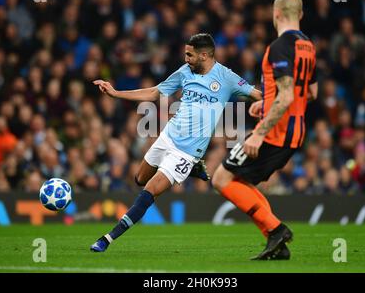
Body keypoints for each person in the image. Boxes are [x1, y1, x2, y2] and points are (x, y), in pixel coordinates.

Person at [90, 33, 262, 252]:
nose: (186, 59)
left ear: (205, 55)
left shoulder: (226, 78)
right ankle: (193, 169)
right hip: (168, 137)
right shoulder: (184, 72)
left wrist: (269, 108)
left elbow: (257, 95)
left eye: (190, 55)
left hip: (187, 152)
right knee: (140, 178)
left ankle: (107, 239)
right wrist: (116, 93)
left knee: (150, 190)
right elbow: (155, 92)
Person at [212, 0, 318, 260]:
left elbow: (287, 96)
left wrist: (258, 133)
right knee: (240, 179)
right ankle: (276, 244)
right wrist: (268, 102)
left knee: (221, 179)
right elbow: (311, 91)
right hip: (295, 131)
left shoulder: (280, 47)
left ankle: (276, 229)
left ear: (277, 14)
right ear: (301, 15)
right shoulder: (308, 46)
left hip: (275, 132)